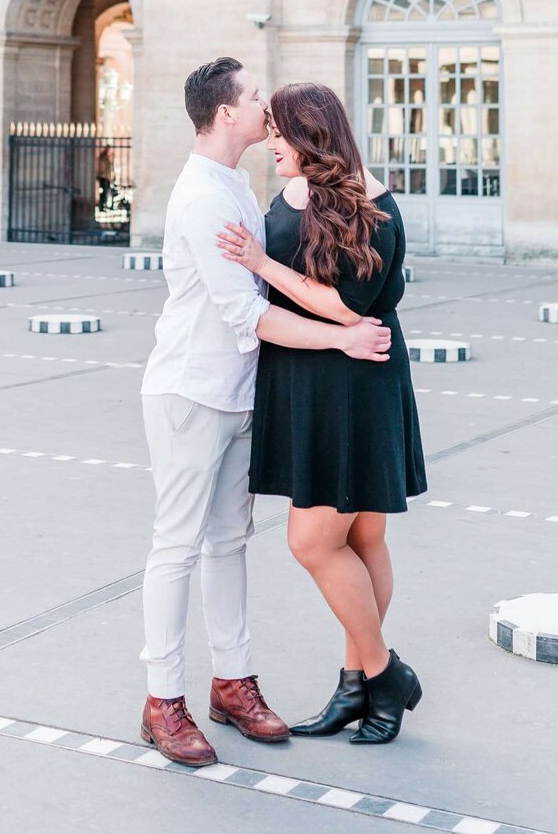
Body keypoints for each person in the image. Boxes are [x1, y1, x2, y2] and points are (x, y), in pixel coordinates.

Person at [139, 57, 393, 768]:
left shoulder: (240, 185)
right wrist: (343, 337)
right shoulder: (203, 198)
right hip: (191, 391)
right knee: (176, 546)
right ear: (227, 114)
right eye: (255, 98)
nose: (264, 108)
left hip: (239, 392)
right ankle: (163, 700)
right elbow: (248, 312)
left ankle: (233, 684)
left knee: (227, 543)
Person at [217, 80, 428, 746]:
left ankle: (382, 672)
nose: (270, 144)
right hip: (308, 375)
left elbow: (348, 306)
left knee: (314, 541)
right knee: (360, 541)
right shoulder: (295, 191)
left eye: (280, 133)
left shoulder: (373, 202)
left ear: (312, 134)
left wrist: (256, 262)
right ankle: (356, 689)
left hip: (352, 379)